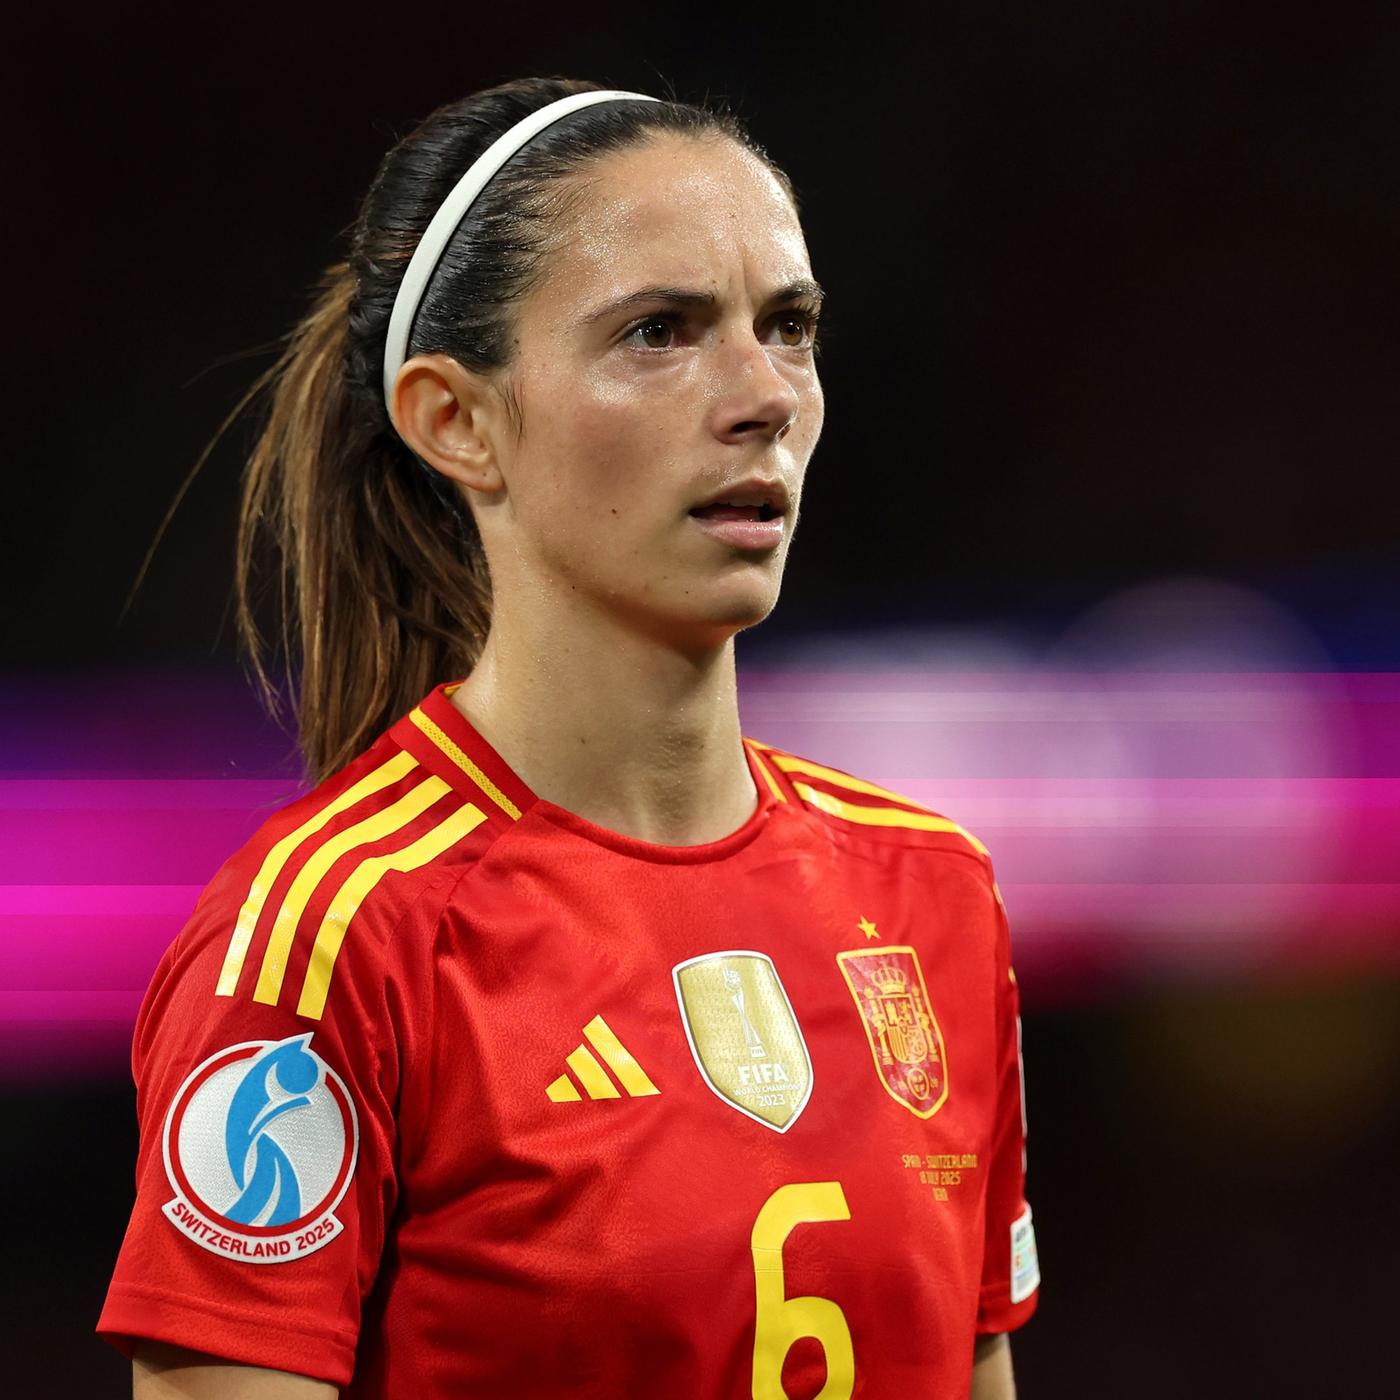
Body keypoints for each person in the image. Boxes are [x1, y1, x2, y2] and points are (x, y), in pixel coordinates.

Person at [96, 75, 1040, 1399]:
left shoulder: (932, 892)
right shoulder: (336, 939)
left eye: (789, 326)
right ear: (457, 421)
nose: (763, 394)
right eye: (660, 332)